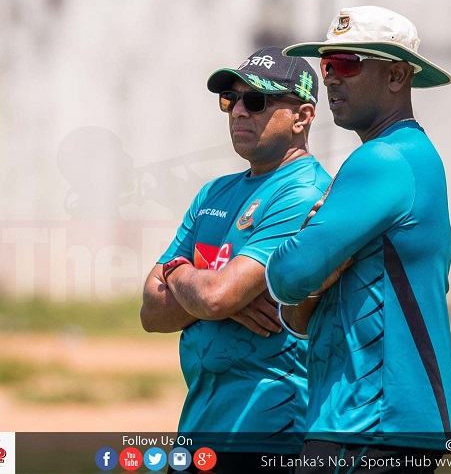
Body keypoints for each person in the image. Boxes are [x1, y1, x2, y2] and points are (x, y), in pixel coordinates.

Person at [265, 6, 451, 473]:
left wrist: (303, 254)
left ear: (396, 75)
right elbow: (305, 310)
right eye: (326, 64)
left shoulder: (382, 159)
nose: (330, 77)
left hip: (370, 419)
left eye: (347, 63)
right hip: (382, 418)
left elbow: (288, 274)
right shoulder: (412, 155)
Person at [141, 47, 331, 473]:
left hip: (271, 429)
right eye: (231, 99)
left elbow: (215, 298)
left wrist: (180, 275)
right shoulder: (214, 193)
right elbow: (151, 313)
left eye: (257, 100)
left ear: (302, 117)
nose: (239, 111)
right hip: (201, 428)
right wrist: (208, 290)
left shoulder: (304, 193)